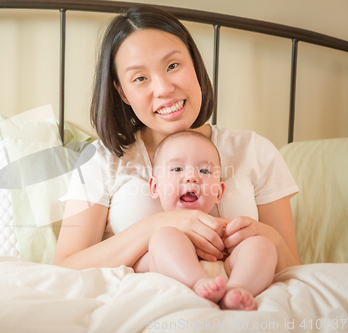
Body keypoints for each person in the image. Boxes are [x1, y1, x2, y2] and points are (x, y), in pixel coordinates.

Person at [53, 5, 301, 311]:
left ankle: (233, 293)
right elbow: (64, 267)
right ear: (122, 92)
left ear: (195, 65)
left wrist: (268, 237)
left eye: (172, 66)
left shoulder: (254, 150)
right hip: (150, 307)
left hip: (247, 304)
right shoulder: (102, 159)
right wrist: (157, 226)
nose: (164, 89)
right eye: (140, 78)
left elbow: (295, 267)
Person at [134, 129, 277, 310]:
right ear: (155, 187)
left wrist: (238, 240)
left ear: (219, 191)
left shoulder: (222, 228)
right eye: (177, 169)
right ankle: (198, 283)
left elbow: (250, 254)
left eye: (204, 170)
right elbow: (137, 266)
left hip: (229, 277)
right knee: (164, 237)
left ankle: (237, 291)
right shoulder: (157, 233)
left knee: (262, 245)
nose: (192, 177)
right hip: (182, 282)